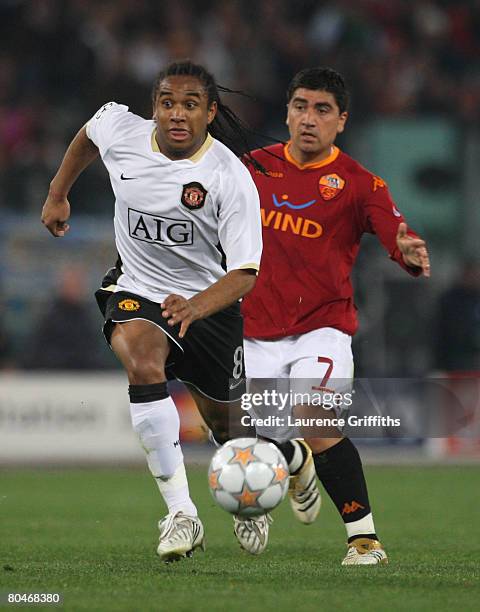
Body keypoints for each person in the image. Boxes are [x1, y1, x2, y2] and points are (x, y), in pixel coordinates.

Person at [41, 60, 263, 562]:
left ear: (209, 112)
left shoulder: (229, 177)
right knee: (141, 359)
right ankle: (181, 513)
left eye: (189, 105)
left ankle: (249, 502)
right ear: (154, 107)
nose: (176, 114)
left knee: (227, 430)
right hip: (138, 288)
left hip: (209, 304)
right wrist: (58, 194)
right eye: (167, 102)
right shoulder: (123, 131)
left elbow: (246, 271)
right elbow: (89, 135)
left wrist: (197, 306)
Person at [241, 67, 431, 564]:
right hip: (255, 328)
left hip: (322, 327)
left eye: (322, 109)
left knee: (315, 417)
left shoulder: (359, 183)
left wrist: (405, 249)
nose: (309, 118)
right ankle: (294, 463)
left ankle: (364, 539)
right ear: (287, 112)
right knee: (267, 440)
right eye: (300, 106)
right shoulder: (249, 168)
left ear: (341, 120)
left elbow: (395, 230)